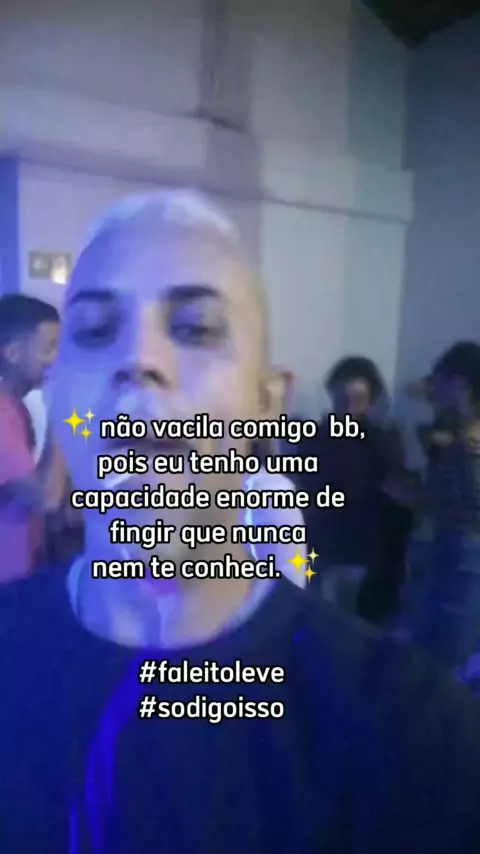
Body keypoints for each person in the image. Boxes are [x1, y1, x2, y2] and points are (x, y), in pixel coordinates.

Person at [1, 192, 480, 854]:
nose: (137, 359)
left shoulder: (412, 732)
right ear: (60, 396)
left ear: (265, 402)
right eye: (94, 330)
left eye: (196, 327)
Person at [306, 357, 408, 617]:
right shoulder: (315, 437)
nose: (350, 406)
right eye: (343, 397)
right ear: (333, 394)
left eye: (358, 398)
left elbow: (395, 493)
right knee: (316, 616)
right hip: (320, 543)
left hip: (359, 548)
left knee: (347, 619)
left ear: (370, 399)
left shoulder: (381, 441)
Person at [408, 342, 480, 669]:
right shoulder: (458, 431)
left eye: (441, 380)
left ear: (459, 382)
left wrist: (418, 496)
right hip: (454, 547)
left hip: (465, 550)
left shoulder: (471, 442)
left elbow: (471, 504)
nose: (433, 388)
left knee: (447, 654)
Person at [0, 294, 59, 581]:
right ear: (12, 353)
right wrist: (65, 417)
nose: (56, 359)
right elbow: (45, 498)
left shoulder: (16, 407)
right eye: (48, 348)